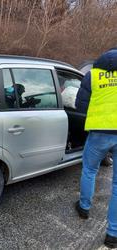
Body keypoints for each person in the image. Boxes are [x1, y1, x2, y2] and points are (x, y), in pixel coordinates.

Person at [75, 48, 117, 248]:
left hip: (99, 133)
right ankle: (112, 235)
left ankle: (84, 208)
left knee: (90, 170)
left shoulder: (92, 75)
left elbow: (80, 106)